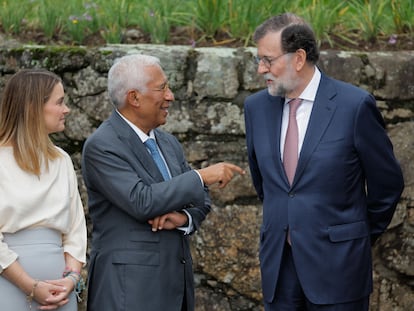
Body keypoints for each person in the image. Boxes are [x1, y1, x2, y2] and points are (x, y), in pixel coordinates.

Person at [244, 13, 404, 311]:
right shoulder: (256, 108)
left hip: (339, 270)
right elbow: (264, 183)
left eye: (267, 59)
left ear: (299, 58)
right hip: (279, 270)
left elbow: (387, 185)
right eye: (258, 60)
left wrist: (352, 238)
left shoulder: (354, 106)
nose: (260, 69)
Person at [82, 54, 245, 311]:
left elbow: (200, 200)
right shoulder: (102, 146)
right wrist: (201, 176)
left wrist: (183, 219)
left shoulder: (168, 143)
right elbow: (142, 200)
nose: (170, 96)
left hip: (175, 288)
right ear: (134, 98)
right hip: (130, 291)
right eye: (162, 88)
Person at [0, 69, 87, 310]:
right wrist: (29, 286)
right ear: (32, 108)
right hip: (8, 287)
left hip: (61, 294)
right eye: (59, 102)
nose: (66, 109)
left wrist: (70, 280)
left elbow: (76, 232)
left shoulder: (61, 160)